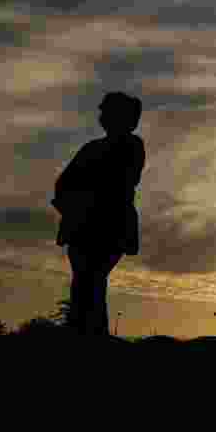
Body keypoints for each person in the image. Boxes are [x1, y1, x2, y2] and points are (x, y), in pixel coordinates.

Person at [53, 92, 145, 337]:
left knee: (91, 281)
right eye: (102, 112)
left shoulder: (131, 145)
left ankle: (91, 335)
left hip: (109, 225)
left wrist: (82, 197)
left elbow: (120, 181)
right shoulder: (92, 148)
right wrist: (73, 207)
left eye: (108, 111)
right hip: (82, 225)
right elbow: (63, 184)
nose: (102, 116)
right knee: (84, 283)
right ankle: (83, 332)